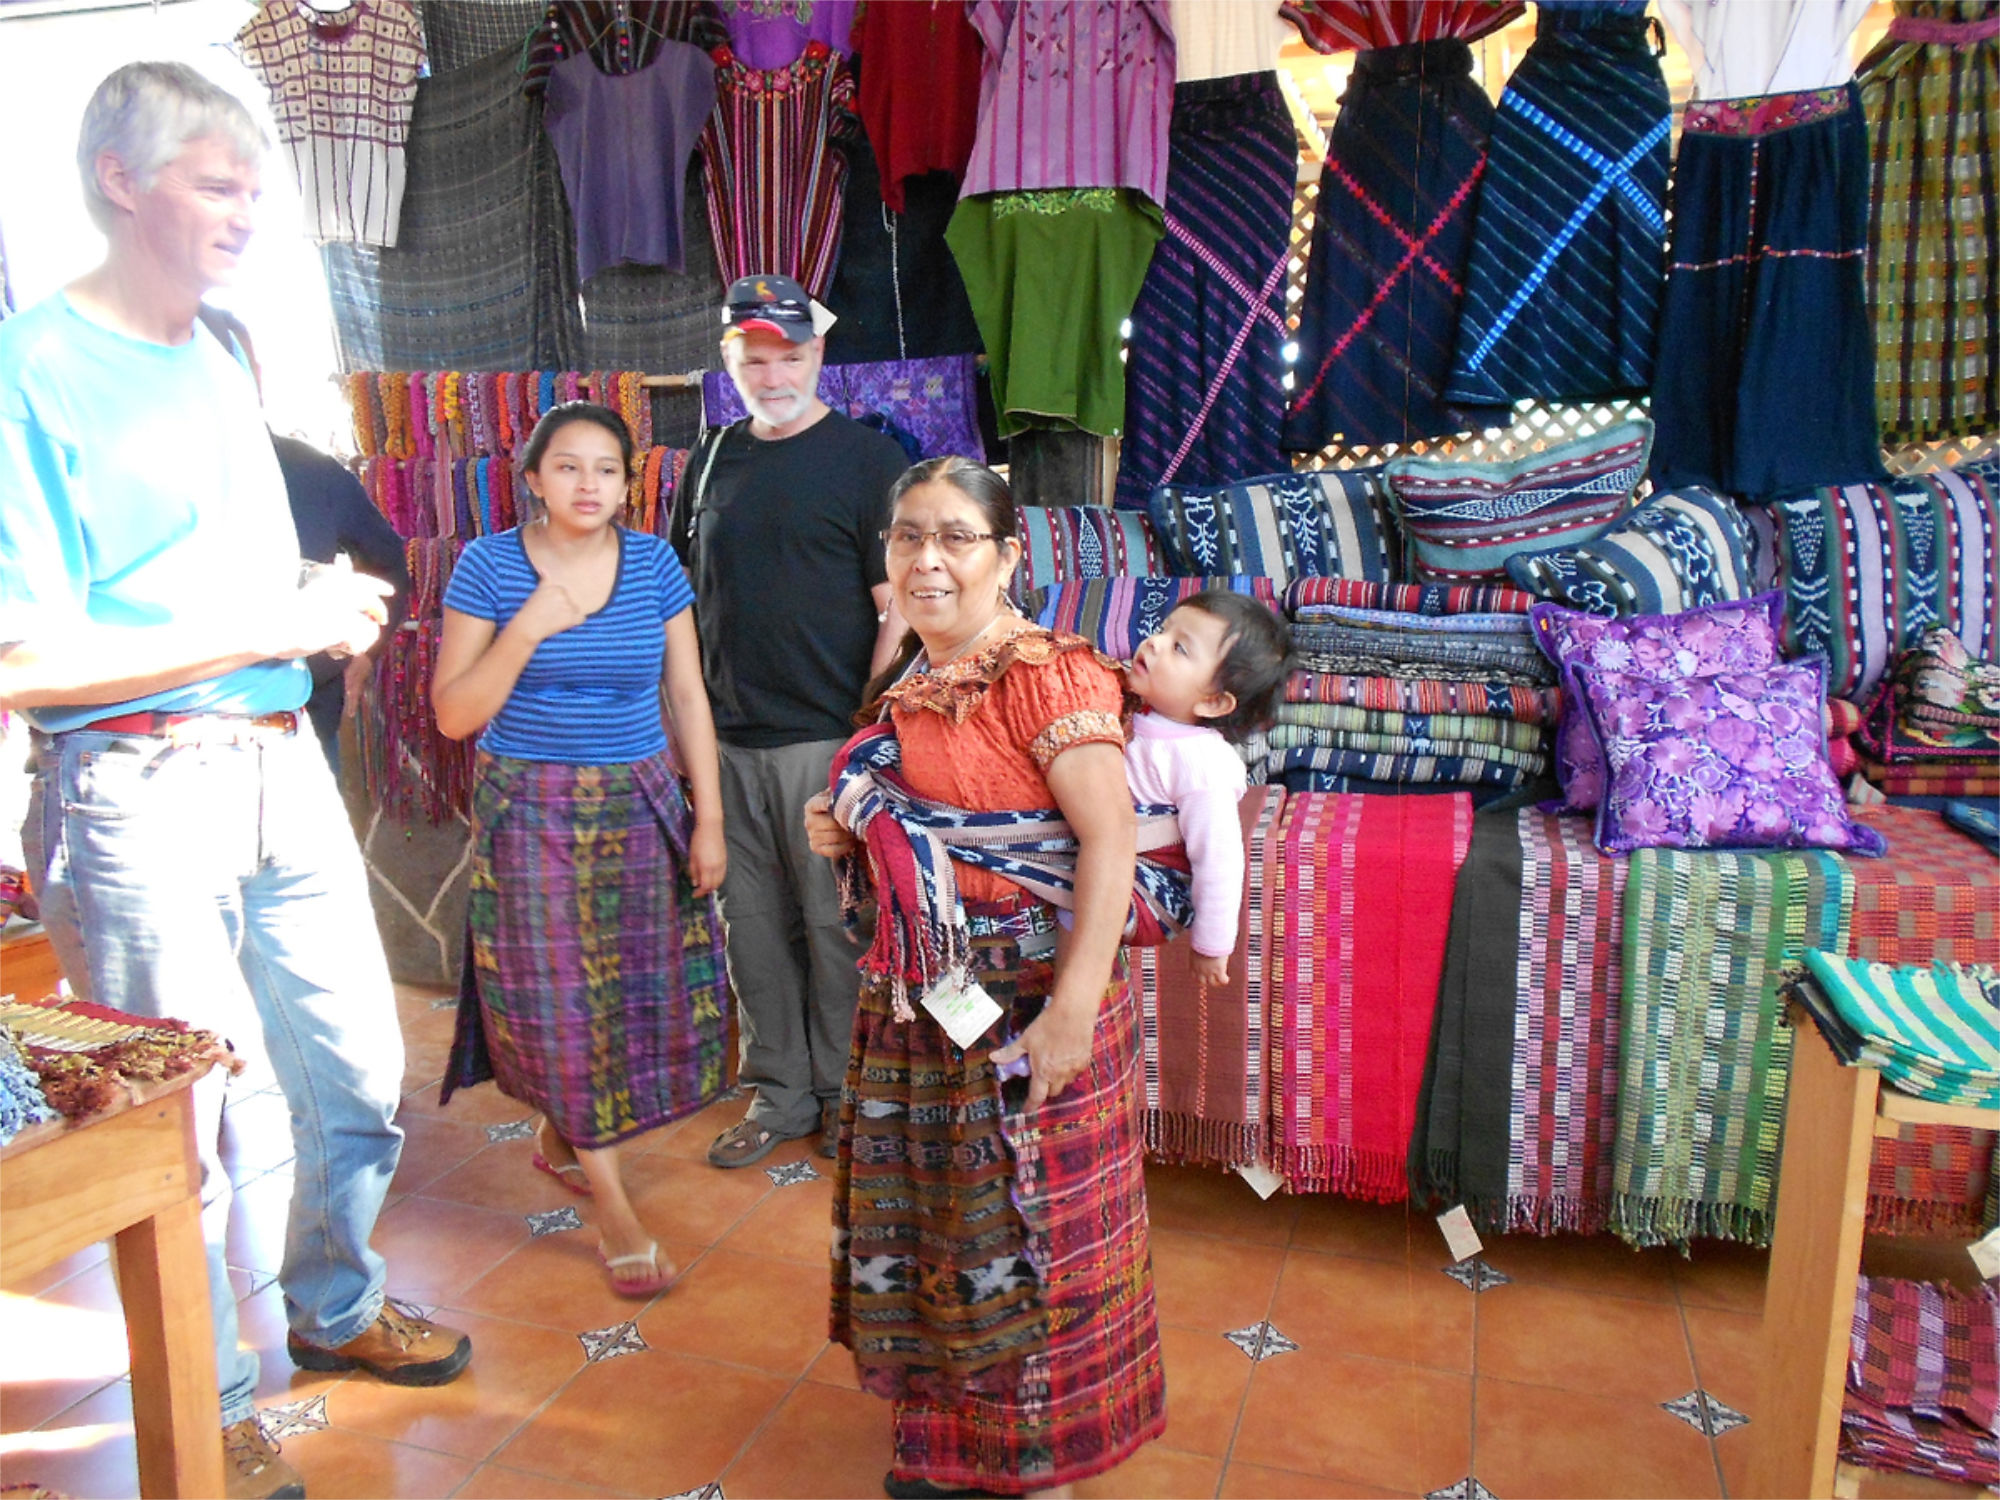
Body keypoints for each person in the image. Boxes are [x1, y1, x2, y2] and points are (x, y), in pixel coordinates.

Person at [0, 62, 469, 1500]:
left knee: (361, 1072)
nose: (246, 214)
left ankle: (333, 1308)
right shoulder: (32, 370)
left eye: (256, 189)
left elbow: (228, 574)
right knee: (180, 1121)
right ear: (118, 181)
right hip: (131, 790)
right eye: (216, 184)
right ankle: (207, 1413)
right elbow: (20, 652)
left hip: (280, 766)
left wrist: (309, 594)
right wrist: (272, 624)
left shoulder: (213, 351)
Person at [804, 455, 1166, 1497]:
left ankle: (1039, 1473)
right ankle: (953, 1455)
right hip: (931, 1003)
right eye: (907, 534)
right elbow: (912, 831)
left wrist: (1070, 1016)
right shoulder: (911, 680)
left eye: (955, 536)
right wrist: (844, 830)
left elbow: (1107, 845)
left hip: (1028, 1009)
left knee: (1032, 1237)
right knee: (942, 1225)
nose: (926, 557)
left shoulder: (1045, 674)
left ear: (1006, 557)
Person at [432, 400, 729, 1296]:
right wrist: (529, 626)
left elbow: (687, 697)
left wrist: (707, 818)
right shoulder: (487, 567)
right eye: (567, 466)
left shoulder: (653, 564)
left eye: (607, 467)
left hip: (639, 806)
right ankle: (615, 1213)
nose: (589, 484)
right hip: (529, 807)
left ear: (629, 481)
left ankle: (564, 1133)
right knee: (561, 996)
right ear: (532, 479)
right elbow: (454, 714)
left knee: (629, 990)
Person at [670, 272, 909, 1168]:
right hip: (726, 738)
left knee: (833, 925)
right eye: (752, 358)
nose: (772, 375)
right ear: (730, 361)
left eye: (790, 355)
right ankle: (778, 1092)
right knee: (751, 927)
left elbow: (897, 609)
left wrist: (864, 729)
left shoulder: (866, 461)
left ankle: (850, 1097)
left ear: (819, 355)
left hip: (823, 739)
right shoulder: (711, 458)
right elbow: (686, 600)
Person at [1115, 590, 1293, 986]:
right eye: (1163, 630)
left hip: (1150, 891)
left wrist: (1213, 944)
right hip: (1106, 866)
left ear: (1213, 703)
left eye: (1179, 648)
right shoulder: (1128, 707)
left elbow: (1220, 859)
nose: (1154, 642)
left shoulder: (1201, 763)